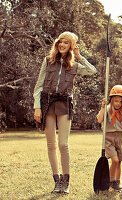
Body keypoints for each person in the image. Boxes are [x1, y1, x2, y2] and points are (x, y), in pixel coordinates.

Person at [33, 31, 97, 193]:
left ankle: (66, 182)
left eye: (66, 42)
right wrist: (37, 106)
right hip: (47, 104)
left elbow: (92, 71)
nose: (62, 44)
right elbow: (39, 85)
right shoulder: (47, 61)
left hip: (64, 104)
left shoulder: (74, 66)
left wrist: (79, 55)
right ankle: (57, 180)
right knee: (51, 145)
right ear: (57, 43)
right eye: (61, 41)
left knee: (63, 144)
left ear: (71, 46)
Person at [96, 85, 122, 190]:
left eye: (121, 101)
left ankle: (117, 181)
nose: (118, 103)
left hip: (119, 138)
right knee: (115, 160)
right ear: (111, 99)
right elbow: (99, 120)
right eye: (116, 101)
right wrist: (103, 107)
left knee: (119, 161)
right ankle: (111, 181)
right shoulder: (107, 109)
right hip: (108, 138)